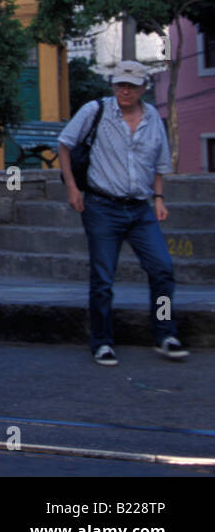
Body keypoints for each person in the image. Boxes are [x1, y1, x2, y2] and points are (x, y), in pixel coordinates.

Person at [56, 60, 188, 366]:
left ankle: (165, 332)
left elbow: (159, 161)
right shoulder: (95, 110)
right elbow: (64, 144)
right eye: (119, 84)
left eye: (131, 85)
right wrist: (73, 189)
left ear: (144, 87)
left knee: (163, 270)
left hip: (140, 208)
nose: (124, 91)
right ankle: (101, 341)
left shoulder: (153, 116)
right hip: (102, 206)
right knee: (103, 278)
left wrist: (159, 197)